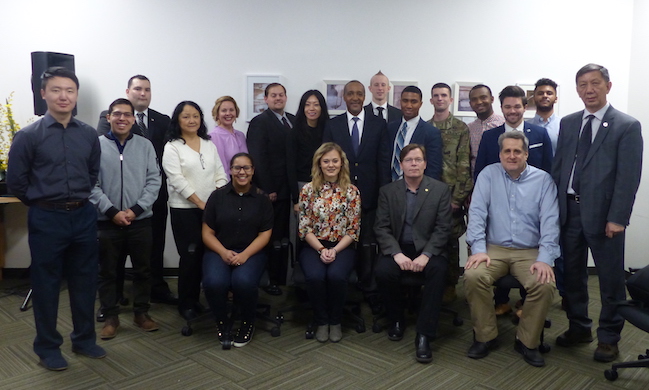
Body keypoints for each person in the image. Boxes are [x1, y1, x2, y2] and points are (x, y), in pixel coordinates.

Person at [6, 67, 106, 370]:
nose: (64, 96)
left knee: (85, 281)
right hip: (46, 218)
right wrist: (43, 203)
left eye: (70, 91)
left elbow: (92, 175)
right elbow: (16, 183)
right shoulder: (28, 136)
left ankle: (85, 339)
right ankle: (48, 347)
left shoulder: (89, 134)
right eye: (57, 90)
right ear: (43, 94)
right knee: (46, 284)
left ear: (76, 96)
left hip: (83, 216)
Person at [552, 64, 643, 362]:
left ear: (608, 86)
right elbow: (559, 168)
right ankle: (579, 327)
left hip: (605, 217)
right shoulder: (568, 123)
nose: (588, 90)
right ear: (576, 89)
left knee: (609, 280)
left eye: (595, 83)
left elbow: (628, 177)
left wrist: (618, 217)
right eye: (582, 84)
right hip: (569, 213)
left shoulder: (626, 126)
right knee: (573, 277)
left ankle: (609, 337)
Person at [465, 131, 559, 367]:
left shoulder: (543, 180)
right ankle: (486, 337)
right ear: (500, 154)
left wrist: (545, 258)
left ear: (526, 154)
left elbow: (550, 222)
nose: (512, 155)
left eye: (517, 151)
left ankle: (527, 341)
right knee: (473, 275)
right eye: (507, 151)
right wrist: (478, 249)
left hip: (529, 251)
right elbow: (476, 214)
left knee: (544, 283)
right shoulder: (488, 175)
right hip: (493, 249)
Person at [97, 75, 176, 306]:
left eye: (147, 89)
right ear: (128, 91)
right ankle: (116, 293)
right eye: (138, 89)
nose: (143, 93)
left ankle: (156, 288)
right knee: (116, 254)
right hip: (116, 203)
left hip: (153, 199)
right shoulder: (110, 118)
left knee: (154, 246)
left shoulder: (163, 120)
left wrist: (145, 201)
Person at [374, 143, 452, 364]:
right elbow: (381, 227)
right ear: (401, 165)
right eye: (409, 160)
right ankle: (396, 319)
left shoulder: (440, 190)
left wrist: (426, 255)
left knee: (438, 272)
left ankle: (424, 334)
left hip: (429, 249)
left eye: (418, 160)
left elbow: (443, 228)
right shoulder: (388, 192)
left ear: (425, 164)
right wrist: (396, 254)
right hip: (399, 248)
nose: (414, 164)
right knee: (383, 271)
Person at [90, 98, 161, 339]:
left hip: (140, 221)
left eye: (127, 115)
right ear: (108, 117)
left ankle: (141, 313)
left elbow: (154, 180)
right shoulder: (95, 145)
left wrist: (136, 209)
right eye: (117, 114)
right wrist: (112, 212)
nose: (122, 118)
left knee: (143, 270)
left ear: (133, 119)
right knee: (107, 272)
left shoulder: (145, 145)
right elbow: (91, 184)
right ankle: (111, 317)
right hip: (107, 222)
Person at [323, 80, 390, 313]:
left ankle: (369, 288)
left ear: (365, 96)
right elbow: (327, 162)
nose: (354, 97)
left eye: (358, 94)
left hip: (371, 195)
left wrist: (383, 193)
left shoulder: (379, 124)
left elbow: (383, 161)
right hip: (340, 197)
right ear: (344, 97)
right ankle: (347, 286)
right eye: (350, 93)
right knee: (344, 243)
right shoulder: (333, 125)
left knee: (369, 244)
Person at [163, 101, 228, 321]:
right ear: (178, 120)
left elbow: (220, 173)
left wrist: (217, 199)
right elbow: (177, 181)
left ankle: (199, 299)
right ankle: (186, 303)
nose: (192, 120)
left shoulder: (208, 144)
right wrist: (201, 203)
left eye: (195, 116)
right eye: (186, 116)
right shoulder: (172, 147)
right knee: (190, 256)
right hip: (185, 209)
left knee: (206, 255)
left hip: (211, 209)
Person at [202, 153, 273, 347]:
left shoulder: (262, 199)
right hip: (219, 250)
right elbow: (207, 233)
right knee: (215, 282)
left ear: (252, 171)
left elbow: (265, 235)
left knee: (243, 282)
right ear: (230, 170)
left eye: (246, 168)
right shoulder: (217, 197)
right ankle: (222, 322)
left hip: (251, 252)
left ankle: (247, 323)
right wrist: (224, 252)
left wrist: (245, 255)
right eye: (237, 168)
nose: (242, 172)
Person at [298, 142, 361, 343]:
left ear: (342, 163)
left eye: (335, 160)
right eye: (326, 161)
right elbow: (304, 227)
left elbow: (353, 229)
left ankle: (335, 321)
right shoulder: (308, 190)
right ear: (319, 163)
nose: (331, 165)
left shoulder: (352, 191)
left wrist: (334, 250)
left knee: (336, 276)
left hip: (343, 246)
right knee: (315, 277)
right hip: (314, 245)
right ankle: (321, 321)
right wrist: (322, 249)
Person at [247, 83, 297, 295]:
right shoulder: (260, 123)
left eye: (281, 95)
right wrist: (267, 188)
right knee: (271, 236)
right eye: (273, 95)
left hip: (290, 189)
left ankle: (282, 276)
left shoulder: (293, 120)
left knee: (285, 236)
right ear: (265, 99)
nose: (278, 98)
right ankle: (269, 279)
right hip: (272, 191)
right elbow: (258, 157)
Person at [428, 82, 473, 304]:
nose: (440, 99)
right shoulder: (424, 128)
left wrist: (458, 198)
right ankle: (429, 282)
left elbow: (464, 166)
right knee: (428, 239)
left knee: (451, 242)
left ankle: (450, 285)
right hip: (428, 197)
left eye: (444, 95)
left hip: (451, 196)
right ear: (431, 100)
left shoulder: (460, 128)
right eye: (436, 96)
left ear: (451, 99)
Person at [474, 85, 553, 180]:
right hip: (498, 191)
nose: (512, 111)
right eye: (507, 107)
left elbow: (549, 169)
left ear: (525, 107)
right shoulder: (489, 136)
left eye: (517, 107)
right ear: (501, 108)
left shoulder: (541, 134)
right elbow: (480, 171)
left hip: (533, 191)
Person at [386, 86, 443, 182]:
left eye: (413, 101)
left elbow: (433, 169)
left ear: (420, 104)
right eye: (405, 101)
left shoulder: (431, 133)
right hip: (389, 188)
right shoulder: (390, 128)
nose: (409, 105)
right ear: (400, 102)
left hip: (417, 189)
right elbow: (384, 161)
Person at [467, 84, 505, 177]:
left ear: (492, 99)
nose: (479, 102)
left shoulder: (503, 124)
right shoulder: (468, 128)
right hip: (476, 179)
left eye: (483, 97)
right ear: (470, 103)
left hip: (501, 177)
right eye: (474, 99)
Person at [208, 96, 248, 178]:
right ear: (217, 114)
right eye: (224, 110)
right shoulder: (214, 136)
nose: (228, 113)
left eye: (231, 110)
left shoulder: (241, 135)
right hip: (228, 185)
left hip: (244, 182)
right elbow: (221, 168)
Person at [530, 78, 560, 154]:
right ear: (533, 98)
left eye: (549, 93)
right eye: (540, 93)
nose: (545, 96)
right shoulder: (526, 126)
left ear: (556, 99)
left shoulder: (564, 125)